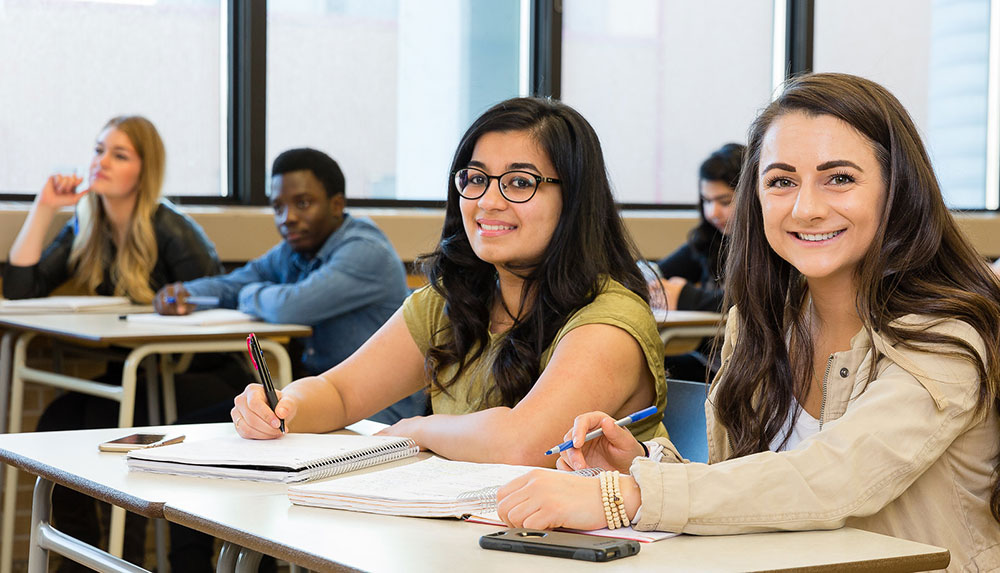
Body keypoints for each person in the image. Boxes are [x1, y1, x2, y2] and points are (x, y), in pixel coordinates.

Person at [494, 73, 1000, 572]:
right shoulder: (761, 323)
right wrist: (640, 465)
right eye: (781, 181)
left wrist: (626, 495)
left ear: (898, 190)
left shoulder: (946, 333)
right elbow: (754, 490)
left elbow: (831, 480)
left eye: (839, 178)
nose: (806, 208)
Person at [230, 97, 669, 468]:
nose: (488, 202)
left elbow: (523, 443)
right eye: (475, 179)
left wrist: (420, 429)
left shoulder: (611, 320)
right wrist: (280, 408)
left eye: (520, 182)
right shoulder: (451, 301)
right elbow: (340, 392)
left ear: (573, 199)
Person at [3, 115, 224, 572]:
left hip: (202, 375)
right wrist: (45, 207)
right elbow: (23, 286)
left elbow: (216, 304)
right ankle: (79, 560)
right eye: (98, 149)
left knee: (110, 416)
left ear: (144, 171)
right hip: (139, 372)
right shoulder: (89, 225)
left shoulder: (174, 230)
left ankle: (123, 558)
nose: (100, 161)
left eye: (118, 154)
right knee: (56, 420)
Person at [153, 147, 419, 423]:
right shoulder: (294, 250)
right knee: (188, 427)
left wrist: (248, 294)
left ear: (337, 204)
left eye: (302, 203)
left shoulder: (365, 251)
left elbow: (288, 307)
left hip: (376, 413)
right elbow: (235, 282)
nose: (287, 217)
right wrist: (186, 293)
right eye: (278, 207)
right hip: (315, 402)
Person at [653, 142, 745, 312]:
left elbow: (755, 303)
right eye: (707, 201)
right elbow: (657, 272)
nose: (712, 213)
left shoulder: (772, 246)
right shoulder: (711, 238)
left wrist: (685, 297)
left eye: (725, 202)